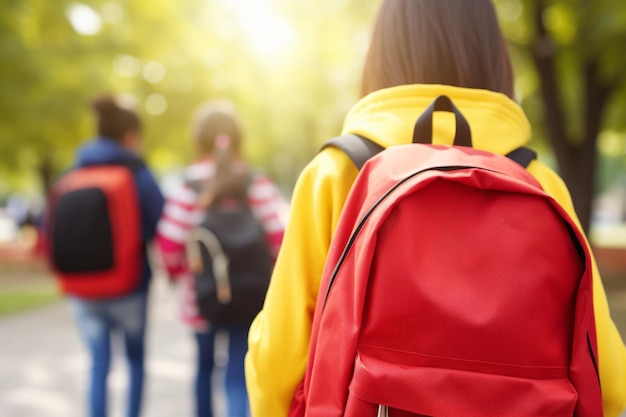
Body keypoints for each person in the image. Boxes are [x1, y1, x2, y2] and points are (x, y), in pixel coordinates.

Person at [244, 1, 626, 416]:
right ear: (492, 54)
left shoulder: (338, 173)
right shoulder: (539, 182)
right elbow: (607, 380)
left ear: (382, 53)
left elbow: (276, 369)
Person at [156, 100, 286, 417]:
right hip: (250, 296)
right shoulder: (256, 182)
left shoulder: (188, 185)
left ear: (198, 139)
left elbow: (170, 244)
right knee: (240, 372)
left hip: (202, 299)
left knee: (203, 370)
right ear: (238, 138)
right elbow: (281, 239)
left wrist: (178, 274)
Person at [64, 94, 164, 417]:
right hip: (130, 285)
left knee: (98, 363)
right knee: (135, 360)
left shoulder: (73, 170)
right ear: (131, 135)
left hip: (84, 288)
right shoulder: (138, 172)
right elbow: (156, 219)